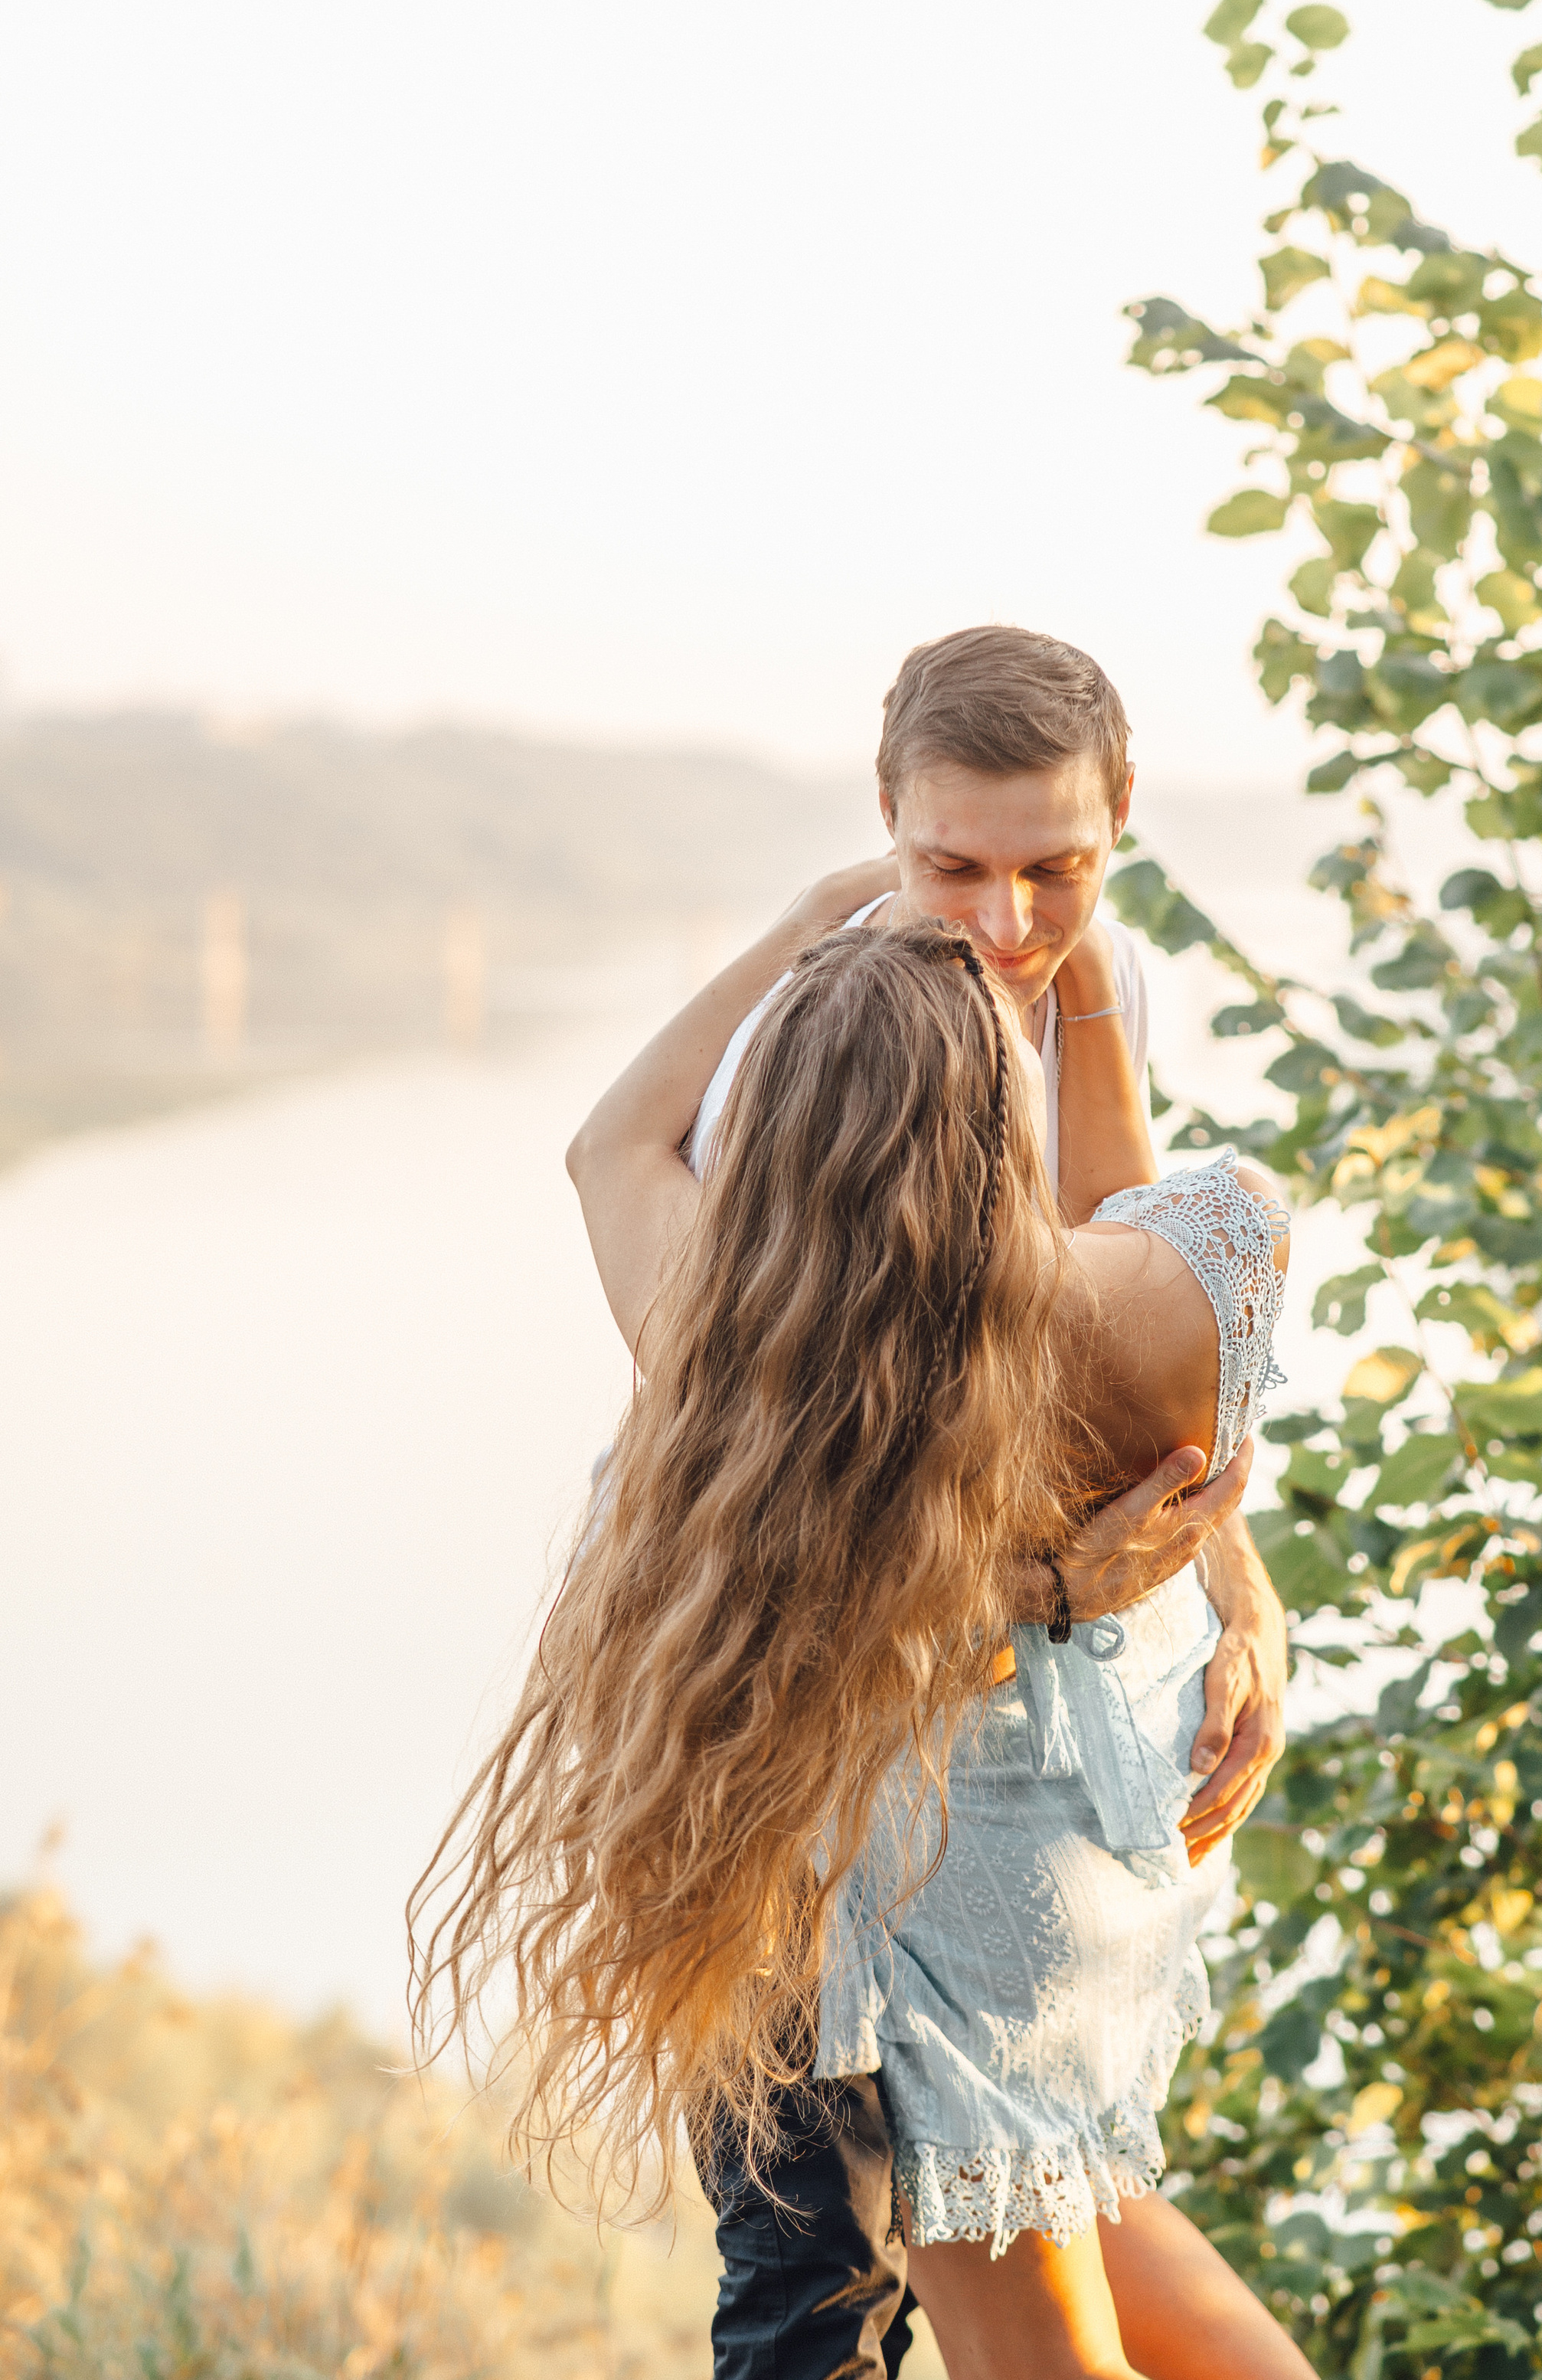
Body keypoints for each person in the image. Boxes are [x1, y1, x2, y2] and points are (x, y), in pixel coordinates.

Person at [410, 629, 1300, 2379]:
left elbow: (1111, 1301)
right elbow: (825, 1532)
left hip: (939, 1827)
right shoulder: (839, 1051)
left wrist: (1226, 1578)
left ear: (1123, 819)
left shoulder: (1015, 1019)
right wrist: (1050, 1592)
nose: (1000, 923)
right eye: (944, 868)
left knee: (886, 2291)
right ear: (883, 825)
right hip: (825, 1820)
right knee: (822, 2300)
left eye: (1054, 870)